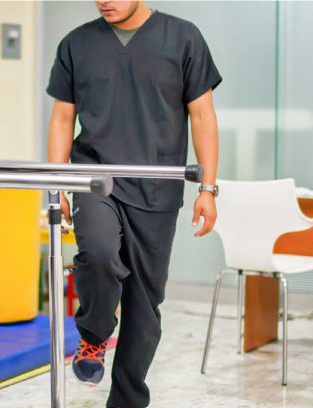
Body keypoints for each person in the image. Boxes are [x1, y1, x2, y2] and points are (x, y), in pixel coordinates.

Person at [47, 1, 220, 407]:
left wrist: (208, 189)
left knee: (144, 309)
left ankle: (126, 400)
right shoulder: (76, 44)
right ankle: (94, 333)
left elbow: (203, 116)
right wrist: (54, 185)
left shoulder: (183, 37)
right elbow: (61, 119)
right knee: (101, 253)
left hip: (157, 188)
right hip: (96, 180)